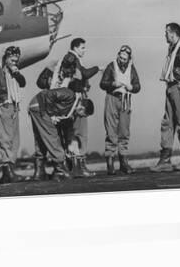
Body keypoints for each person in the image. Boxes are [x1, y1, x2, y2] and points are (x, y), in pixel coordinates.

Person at [151, 22, 180, 172]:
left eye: (166, 32)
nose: (165, 35)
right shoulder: (172, 49)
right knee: (167, 123)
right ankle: (165, 160)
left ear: (173, 33)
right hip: (171, 88)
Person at [53, 38, 100, 177]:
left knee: (70, 134)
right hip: (72, 101)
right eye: (83, 47)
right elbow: (81, 75)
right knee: (77, 133)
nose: (84, 50)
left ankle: (74, 167)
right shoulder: (71, 59)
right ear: (75, 47)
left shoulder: (69, 59)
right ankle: (79, 167)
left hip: (69, 100)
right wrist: (98, 68)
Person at [28, 87, 95, 182]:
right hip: (40, 106)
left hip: (36, 106)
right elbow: (51, 94)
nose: (80, 117)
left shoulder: (71, 105)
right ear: (81, 107)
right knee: (52, 135)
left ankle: (39, 172)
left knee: (41, 138)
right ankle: (60, 170)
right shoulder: (70, 95)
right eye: (83, 114)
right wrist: (51, 115)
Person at [0, 46, 26, 184]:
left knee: (15, 139)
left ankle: (8, 172)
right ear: (6, 58)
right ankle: (7, 170)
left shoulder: (15, 71)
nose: (15, 62)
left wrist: (17, 73)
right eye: (12, 59)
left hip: (15, 106)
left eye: (16, 60)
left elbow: (23, 83)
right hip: (4, 105)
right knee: (6, 139)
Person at [99, 45, 141, 175]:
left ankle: (124, 162)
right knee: (111, 131)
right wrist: (112, 84)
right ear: (118, 55)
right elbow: (102, 83)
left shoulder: (132, 69)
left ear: (129, 59)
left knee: (124, 131)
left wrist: (131, 87)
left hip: (125, 100)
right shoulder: (111, 66)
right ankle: (110, 163)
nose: (121, 60)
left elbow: (138, 86)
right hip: (112, 98)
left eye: (124, 59)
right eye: (120, 57)